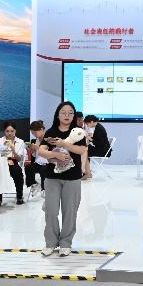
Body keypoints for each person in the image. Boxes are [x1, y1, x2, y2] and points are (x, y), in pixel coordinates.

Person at [39, 102, 88, 257]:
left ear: (74, 115)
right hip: (52, 177)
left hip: (72, 178)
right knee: (51, 211)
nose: (67, 116)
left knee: (70, 212)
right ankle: (50, 243)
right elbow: (41, 151)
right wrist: (56, 155)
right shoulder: (51, 131)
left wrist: (64, 144)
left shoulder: (78, 132)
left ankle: (66, 243)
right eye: (63, 112)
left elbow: (82, 150)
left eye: (70, 113)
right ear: (58, 114)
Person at [0, 122, 27, 206]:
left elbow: (19, 159)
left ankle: (19, 197)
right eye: (7, 131)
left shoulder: (20, 142)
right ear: (4, 131)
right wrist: (2, 150)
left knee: (17, 172)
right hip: (0, 161)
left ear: (15, 131)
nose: (9, 133)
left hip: (11, 161)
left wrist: (13, 150)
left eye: (12, 131)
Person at [24, 119, 48, 197]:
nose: (34, 134)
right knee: (28, 168)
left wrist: (38, 148)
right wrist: (33, 150)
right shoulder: (35, 140)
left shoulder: (49, 138)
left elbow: (52, 152)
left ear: (41, 130)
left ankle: (44, 189)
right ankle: (34, 184)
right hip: (39, 162)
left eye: (35, 132)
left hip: (49, 162)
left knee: (43, 170)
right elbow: (35, 156)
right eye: (32, 133)